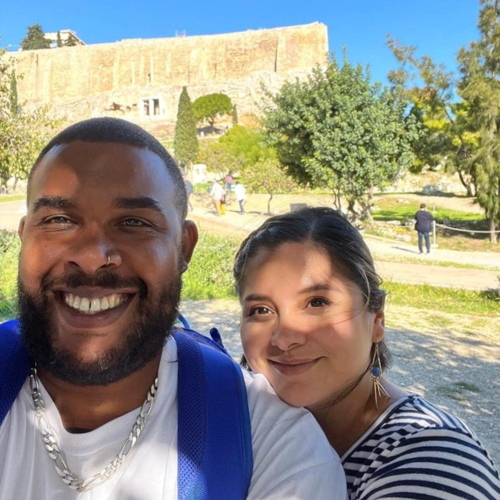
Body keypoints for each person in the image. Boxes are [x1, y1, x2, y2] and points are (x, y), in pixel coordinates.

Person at [0, 120, 347, 499]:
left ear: (184, 248)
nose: (90, 257)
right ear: (24, 236)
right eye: (59, 221)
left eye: (133, 223)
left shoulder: (280, 452)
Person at [234, 207, 500, 500]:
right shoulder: (234, 428)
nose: (283, 339)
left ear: (377, 320)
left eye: (317, 302)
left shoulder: (436, 457)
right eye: (261, 310)